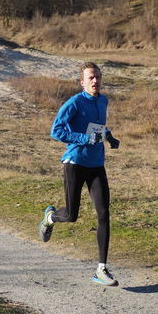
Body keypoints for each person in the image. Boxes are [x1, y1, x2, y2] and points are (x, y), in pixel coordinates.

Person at [38, 62, 121, 286]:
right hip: (75, 163)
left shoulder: (103, 100)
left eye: (98, 77)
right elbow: (56, 131)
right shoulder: (74, 103)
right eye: (91, 78)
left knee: (103, 212)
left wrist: (109, 137)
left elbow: (98, 126)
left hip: (96, 164)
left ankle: (102, 269)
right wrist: (84, 139)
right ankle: (50, 217)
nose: (96, 81)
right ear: (82, 82)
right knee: (71, 215)